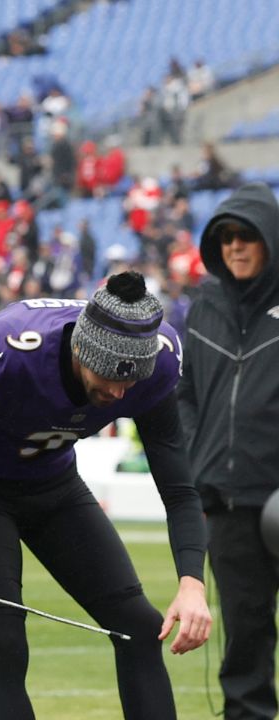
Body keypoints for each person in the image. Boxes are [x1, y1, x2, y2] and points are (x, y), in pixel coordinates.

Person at [0, 271, 212, 719]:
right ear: (80, 351)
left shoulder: (157, 362)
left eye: (130, 383)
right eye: (107, 376)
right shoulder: (14, 349)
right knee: (6, 642)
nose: (117, 392)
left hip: (54, 484)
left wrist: (192, 583)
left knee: (140, 629)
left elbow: (180, 489)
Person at [180, 183, 279, 720]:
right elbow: (184, 395)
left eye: (247, 236)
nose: (235, 247)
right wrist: (199, 458)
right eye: (225, 238)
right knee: (244, 633)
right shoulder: (203, 307)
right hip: (229, 501)